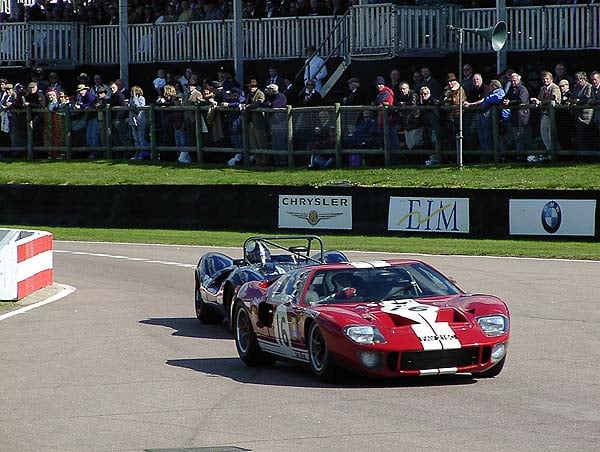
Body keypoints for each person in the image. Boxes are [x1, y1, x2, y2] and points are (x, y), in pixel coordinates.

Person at [463, 79, 508, 158]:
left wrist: (486, 100)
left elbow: (494, 99)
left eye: (490, 86)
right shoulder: (491, 94)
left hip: (502, 120)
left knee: (496, 138)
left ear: (494, 86)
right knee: (485, 137)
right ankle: (486, 155)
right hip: (491, 118)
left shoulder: (500, 92)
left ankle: (496, 156)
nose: (488, 88)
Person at [531, 70, 561, 158]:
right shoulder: (542, 89)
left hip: (553, 115)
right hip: (544, 114)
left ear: (551, 79)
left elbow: (553, 100)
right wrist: (536, 100)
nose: (545, 81)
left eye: (547, 79)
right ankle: (549, 153)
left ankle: (555, 155)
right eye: (544, 79)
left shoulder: (555, 88)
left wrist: (540, 102)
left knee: (551, 135)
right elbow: (540, 98)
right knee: (544, 134)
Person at [502, 72, 531, 157]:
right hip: (514, 117)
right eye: (512, 81)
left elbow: (522, 100)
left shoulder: (522, 89)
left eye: (515, 81)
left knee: (523, 137)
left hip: (523, 117)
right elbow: (506, 97)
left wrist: (510, 102)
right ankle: (519, 155)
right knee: (517, 137)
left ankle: (526, 155)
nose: (513, 82)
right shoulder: (511, 89)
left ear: (519, 80)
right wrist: (505, 101)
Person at [440, 72, 466, 153]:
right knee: (450, 138)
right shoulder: (445, 90)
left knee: (460, 136)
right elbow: (441, 100)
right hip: (448, 117)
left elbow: (458, 102)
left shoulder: (460, 90)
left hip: (458, 116)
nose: (450, 83)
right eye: (448, 81)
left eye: (451, 81)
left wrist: (449, 99)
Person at [571, 71, 593, 150]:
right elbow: (573, 97)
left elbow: (588, 99)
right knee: (579, 136)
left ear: (584, 79)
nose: (578, 81)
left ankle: (588, 156)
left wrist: (577, 101)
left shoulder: (589, 87)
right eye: (577, 79)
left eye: (580, 79)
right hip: (577, 115)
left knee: (586, 135)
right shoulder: (576, 87)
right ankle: (581, 155)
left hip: (586, 116)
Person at [128, 85, 150, 160]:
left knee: (141, 138)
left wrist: (135, 98)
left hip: (140, 121)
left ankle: (143, 153)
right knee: (136, 138)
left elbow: (138, 107)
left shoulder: (141, 98)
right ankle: (137, 152)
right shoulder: (131, 99)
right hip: (132, 121)